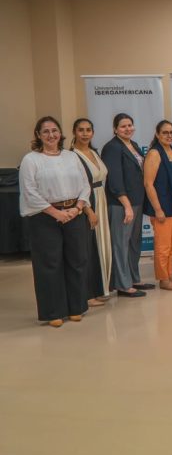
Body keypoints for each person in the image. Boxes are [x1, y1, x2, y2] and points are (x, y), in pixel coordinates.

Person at [20, 117, 92, 327]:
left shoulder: (72, 156)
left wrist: (78, 208)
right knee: (49, 264)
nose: (51, 135)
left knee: (77, 261)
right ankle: (54, 312)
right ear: (38, 135)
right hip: (44, 217)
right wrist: (55, 213)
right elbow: (29, 192)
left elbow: (85, 185)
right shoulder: (31, 160)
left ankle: (76, 307)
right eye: (46, 131)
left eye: (54, 130)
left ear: (60, 133)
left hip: (74, 213)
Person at [101, 113, 150, 298]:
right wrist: (127, 205)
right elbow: (114, 179)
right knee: (121, 244)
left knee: (134, 243)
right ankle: (122, 284)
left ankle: (134, 278)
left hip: (137, 201)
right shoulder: (112, 148)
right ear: (115, 129)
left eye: (130, 125)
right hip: (121, 204)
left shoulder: (134, 145)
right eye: (123, 126)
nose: (128, 129)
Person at [69, 118, 112, 306]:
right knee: (87, 248)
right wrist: (88, 210)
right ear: (74, 132)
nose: (85, 133)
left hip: (101, 199)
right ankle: (87, 294)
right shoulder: (72, 156)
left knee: (100, 246)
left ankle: (100, 288)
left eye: (88, 130)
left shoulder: (94, 152)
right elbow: (76, 186)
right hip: (88, 203)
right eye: (81, 130)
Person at [143, 120, 172, 291]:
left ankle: (170, 275)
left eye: (171, 132)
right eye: (165, 132)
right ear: (157, 134)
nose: (169, 135)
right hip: (163, 202)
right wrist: (158, 209)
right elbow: (148, 184)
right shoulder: (154, 153)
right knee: (163, 245)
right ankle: (163, 279)